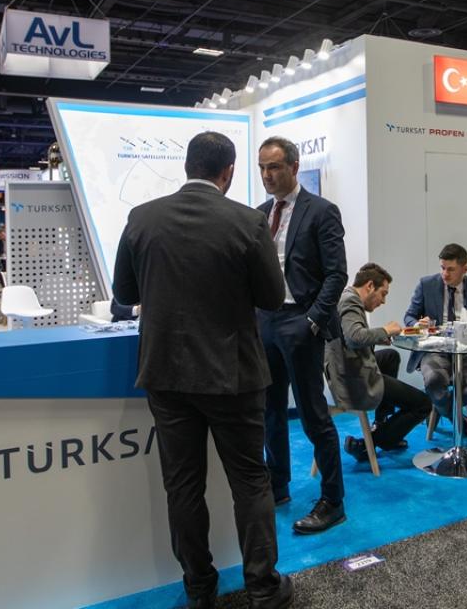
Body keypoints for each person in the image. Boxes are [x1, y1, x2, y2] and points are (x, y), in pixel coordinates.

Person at [112, 131, 292, 609]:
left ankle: (198, 588)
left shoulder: (141, 218)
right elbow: (272, 297)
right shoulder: (248, 222)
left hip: (166, 375)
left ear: (187, 166)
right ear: (228, 172)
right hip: (233, 375)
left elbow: (125, 294)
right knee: (250, 481)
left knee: (183, 485)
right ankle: (262, 589)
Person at [256, 136, 349, 535]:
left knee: (313, 414)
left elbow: (337, 273)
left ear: (294, 167)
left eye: (274, 167)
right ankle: (277, 485)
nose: (267, 175)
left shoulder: (321, 211)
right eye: (262, 168)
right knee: (270, 410)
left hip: (300, 321)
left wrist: (312, 320)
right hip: (265, 322)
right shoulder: (260, 214)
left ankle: (333, 500)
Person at [325, 263, 432, 462]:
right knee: (424, 404)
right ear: (369, 286)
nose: (383, 301)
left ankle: (381, 423)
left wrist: (379, 337)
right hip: (352, 382)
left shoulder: (346, 296)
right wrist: (385, 330)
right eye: (383, 294)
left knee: (390, 356)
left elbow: (349, 339)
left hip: (342, 371)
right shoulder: (350, 302)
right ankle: (370, 443)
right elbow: (354, 337)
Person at [403, 243, 467, 436]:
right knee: (434, 381)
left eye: (451, 269)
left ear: (465, 269)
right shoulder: (426, 285)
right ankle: (454, 415)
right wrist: (418, 323)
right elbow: (409, 316)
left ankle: (438, 405)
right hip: (435, 349)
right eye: (442, 268)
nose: (445, 274)